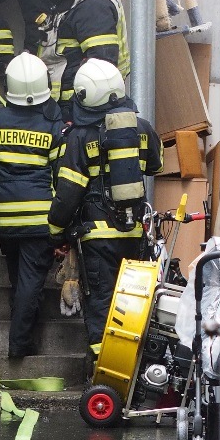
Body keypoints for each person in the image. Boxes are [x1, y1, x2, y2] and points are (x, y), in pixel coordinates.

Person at [47, 59, 163, 362]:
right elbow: (156, 164)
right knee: (133, 301)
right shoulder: (143, 128)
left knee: (102, 300)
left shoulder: (79, 137)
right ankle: (136, 368)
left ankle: (104, 370)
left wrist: (56, 230)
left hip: (96, 237)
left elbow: (68, 193)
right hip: (135, 233)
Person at [0, 52, 65, 359]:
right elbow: (60, 176)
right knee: (31, 281)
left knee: (18, 276)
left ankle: (24, 332)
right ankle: (19, 346)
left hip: (5, 218)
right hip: (39, 219)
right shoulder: (53, 128)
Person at [40, 0, 130, 120]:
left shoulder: (93, 7)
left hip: (81, 106)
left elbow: (100, 64)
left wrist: (75, 113)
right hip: (75, 103)